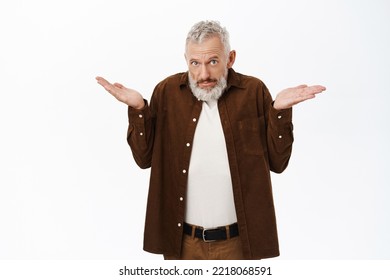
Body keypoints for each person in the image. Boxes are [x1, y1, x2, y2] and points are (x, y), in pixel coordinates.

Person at [96, 20, 326, 260]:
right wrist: (139, 108)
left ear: (230, 58)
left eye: (213, 62)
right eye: (195, 63)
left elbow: (278, 163)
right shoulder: (167, 93)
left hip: (239, 245)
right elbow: (144, 159)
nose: (203, 74)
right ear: (186, 59)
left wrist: (279, 110)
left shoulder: (253, 92)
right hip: (182, 244)